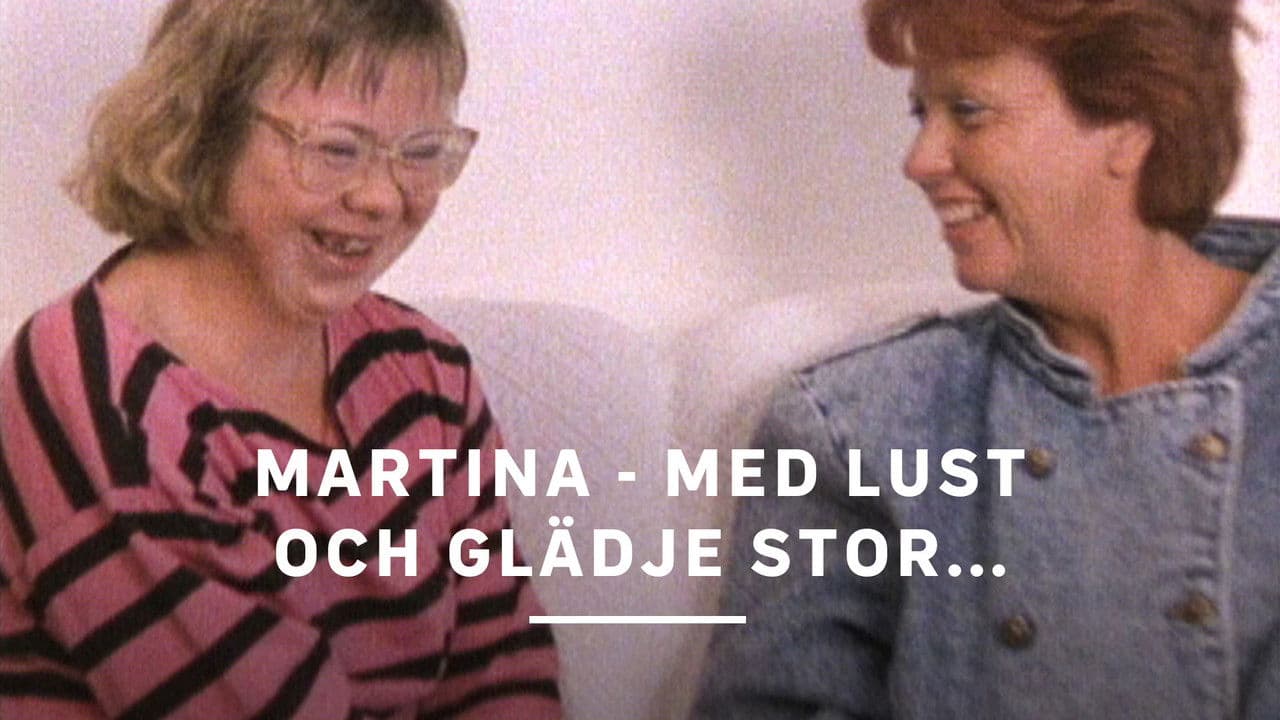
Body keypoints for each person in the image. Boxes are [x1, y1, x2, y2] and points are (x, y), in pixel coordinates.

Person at [694, 0, 1279, 717]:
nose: (919, 161)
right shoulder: (851, 430)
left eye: (968, 112)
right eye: (922, 115)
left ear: (1130, 123)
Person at [0, 1, 561, 718]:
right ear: (208, 130)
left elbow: (504, 671)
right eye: (336, 149)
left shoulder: (427, 370)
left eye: (421, 151)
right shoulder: (95, 392)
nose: (381, 198)